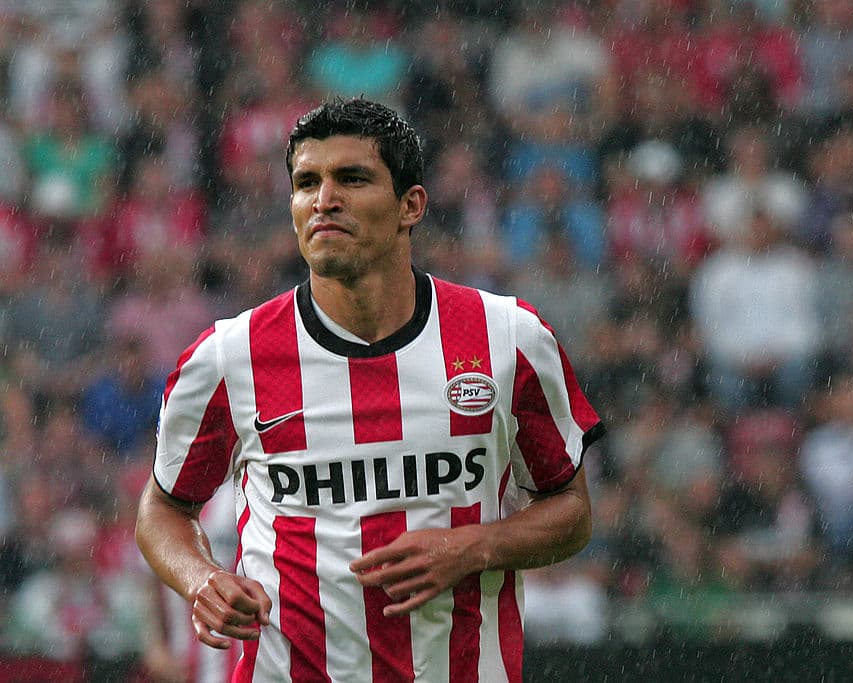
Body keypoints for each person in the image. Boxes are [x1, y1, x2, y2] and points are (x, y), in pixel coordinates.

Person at [135, 97, 605, 682]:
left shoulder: (509, 339)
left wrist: (472, 547)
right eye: (307, 183)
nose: (324, 200)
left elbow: (571, 511)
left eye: (352, 179)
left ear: (411, 205)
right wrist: (202, 579)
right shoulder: (228, 357)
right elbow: (163, 508)